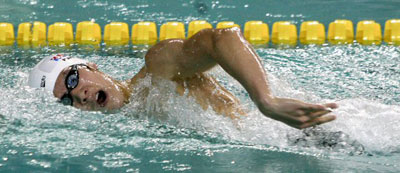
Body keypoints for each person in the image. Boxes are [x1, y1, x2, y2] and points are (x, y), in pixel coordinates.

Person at [28, 27, 338, 129]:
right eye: (67, 100)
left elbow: (223, 38)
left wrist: (266, 101)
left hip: (303, 127)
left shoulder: (157, 68)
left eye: (72, 80)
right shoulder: (137, 116)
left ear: (92, 67)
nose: (79, 95)